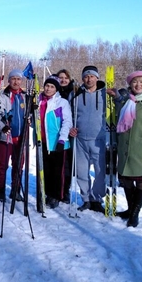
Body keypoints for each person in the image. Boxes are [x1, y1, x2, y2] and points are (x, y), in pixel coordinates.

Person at [106, 71, 142, 227]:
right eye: (135, 82)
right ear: (130, 84)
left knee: (141, 181)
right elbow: (117, 119)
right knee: (125, 180)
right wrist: (116, 96)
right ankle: (130, 210)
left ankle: (134, 214)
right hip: (124, 148)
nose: (138, 85)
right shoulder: (125, 102)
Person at [69, 65, 106, 213]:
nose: (89, 79)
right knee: (81, 172)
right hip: (80, 140)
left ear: (97, 77)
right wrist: (71, 128)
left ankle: (96, 198)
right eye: (86, 76)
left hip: (99, 140)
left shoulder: (105, 94)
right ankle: (86, 199)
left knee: (100, 173)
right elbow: (70, 115)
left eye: (92, 76)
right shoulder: (76, 94)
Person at [37, 75, 72, 209]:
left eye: (52, 87)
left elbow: (67, 121)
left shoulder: (61, 102)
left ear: (56, 89)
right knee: (46, 170)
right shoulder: (39, 101)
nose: (48, 89)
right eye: (47, 86)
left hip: (58, 142)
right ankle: (47, 193)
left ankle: (57, 195)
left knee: (58, 171)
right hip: (43, 142)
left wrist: (62, 139)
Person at [0, 69, 27, 202]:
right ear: (9, 80)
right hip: (6, 136)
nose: (16, 81)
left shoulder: (25, 96)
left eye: (18, 79)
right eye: (13, 79)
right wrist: (3, 127)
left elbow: (29, 115)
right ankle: (0, 189)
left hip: (20, 137)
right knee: (3, 164)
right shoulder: (2, 96)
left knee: (18, 165)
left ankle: (15, 189)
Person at [57, 69, 76, 203]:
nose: (63, 80)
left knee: (68, 163)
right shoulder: (54, 92)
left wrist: (73, 127)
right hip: (55, 131)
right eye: (61, 78)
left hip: (70, 132)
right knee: (56, 162)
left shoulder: (74, 93)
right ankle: (55, 189)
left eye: (66, 78)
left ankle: (66, 189)